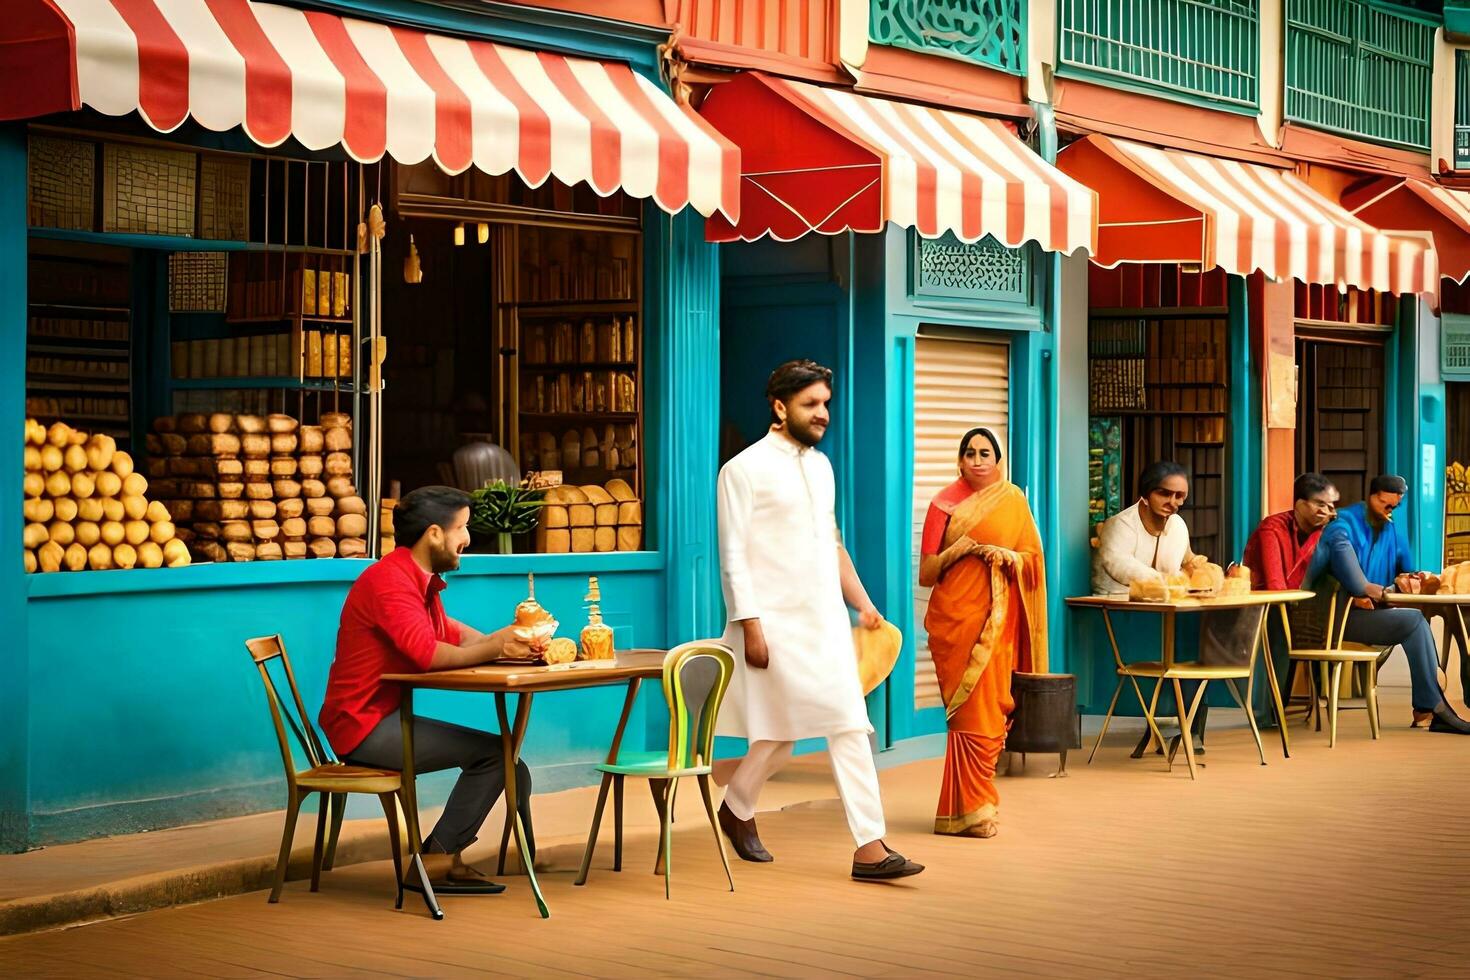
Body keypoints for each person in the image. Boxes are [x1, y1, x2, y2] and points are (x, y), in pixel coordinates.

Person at [715, 359, 923, 882]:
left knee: (839, 725)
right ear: (780, 407)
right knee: (799, 731)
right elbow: (733, 556)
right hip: (773, 627)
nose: (823, 413)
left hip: (826, 624)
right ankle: (866, 846)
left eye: (826, 402)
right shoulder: (741, 470)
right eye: (811, 404)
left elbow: (832, 545)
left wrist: (864, 604)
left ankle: (741, 807)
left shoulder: (821, 467)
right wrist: (751, 627)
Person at [319, 486, 542, 888]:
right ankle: (434, 864)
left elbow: (456, 637)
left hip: (381, 717)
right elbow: (428, 654)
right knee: (497, 756)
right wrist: (498, 645)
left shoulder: (418, 581)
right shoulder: (390, 582)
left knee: (511, 763)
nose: (468, 539)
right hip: (360, 725)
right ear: (435, 533)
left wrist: (517, 642)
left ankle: (483, 858)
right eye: (463, 528)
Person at [919, 427, 1047, 839]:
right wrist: (962, 548)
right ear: (959, 461)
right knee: (967, 716)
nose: (978, 459)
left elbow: (1033, 560)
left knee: (992, 711)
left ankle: (975, 807)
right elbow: (926, 574)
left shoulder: (1012, 501)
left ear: (998, 461)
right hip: (955, 622)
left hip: (997, 622)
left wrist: (1009, 556)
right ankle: (967, 812)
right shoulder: (942, 505)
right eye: (970, 453)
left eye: (986, 453)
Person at [1306, 475, 1470, 734]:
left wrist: (1411, 579)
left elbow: (1407, 571)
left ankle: (1429, 707)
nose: (1390, 511)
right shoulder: (1342, 527)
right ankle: (1433, 707)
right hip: (1335, 618)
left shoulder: (1391, 528)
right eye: (1386, 505)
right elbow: (1358, 584)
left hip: (1370, 612)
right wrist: (1381, 590)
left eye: (1394, 507)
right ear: (1373, 496)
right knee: (1414, 622)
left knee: (1418, 622)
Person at [1091, 460, 1205, 595]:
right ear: (1145, 495)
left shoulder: (1177, 525)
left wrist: (1204, 571)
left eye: (1179, 496)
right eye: (1164, 494)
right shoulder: (1119, 525)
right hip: (1114, 608)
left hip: (1166, 609)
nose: (1172, 502)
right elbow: (1121, 566)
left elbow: (1188, 560)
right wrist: (1167, 581)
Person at [1242, 473, 1339, 591]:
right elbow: (1275, 587)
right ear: (1301, 505)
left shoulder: (1326, 531)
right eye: (1321, 505)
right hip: (1267, 606)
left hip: (1305, 605)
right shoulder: (1272, 529)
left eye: (1330, 506)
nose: (1326, 512)